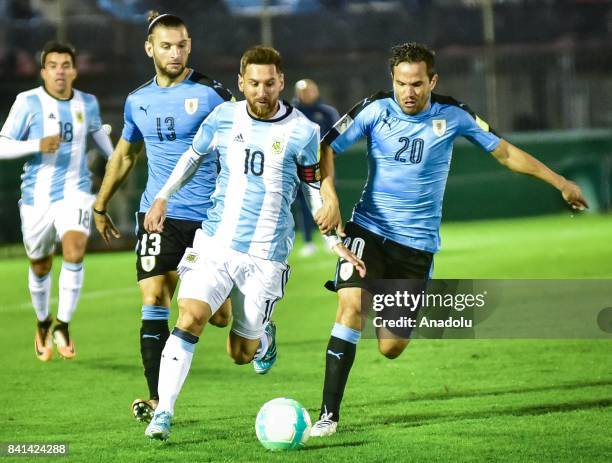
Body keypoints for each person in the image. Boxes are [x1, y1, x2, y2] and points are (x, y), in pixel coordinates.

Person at [310, 42, 589, 437]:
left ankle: (374, 298)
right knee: (350, 306)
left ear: (432, 81)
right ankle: (328, 415)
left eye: (417, 84)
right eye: (401, 83)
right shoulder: (374, 108)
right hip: (368, 229)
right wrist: (330, 194)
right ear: (392, 80)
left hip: (417, 247)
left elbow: (506, 153)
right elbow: (325, 145)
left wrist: (560, 183)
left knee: (390, 347)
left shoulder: (453, 114)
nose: (408, 92)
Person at [142, 45, 365, 441]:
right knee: (190, 316)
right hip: (214, 243)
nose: (262, 92)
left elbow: (312, 186)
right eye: (254, 84)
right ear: (241, 83)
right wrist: (163, 196)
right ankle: (165, 412)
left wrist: (334, 240)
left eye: (269, 83)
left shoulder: (303, 131)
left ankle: (262, 337)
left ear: (281, 82)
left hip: (265, 256)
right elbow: (193, 157)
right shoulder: (223, 116)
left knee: (239, 354)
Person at [92, 11, 233, 423]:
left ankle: (243, 304)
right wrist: (100, 204)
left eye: (182, 45)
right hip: (158, 215)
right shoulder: (139, 101)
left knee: (219, 317)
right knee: (154, 299)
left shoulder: (212, 94)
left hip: (210, 219)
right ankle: (157, 400)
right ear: (149, 48)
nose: (176, 52)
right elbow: (125, 155)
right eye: (167, 45)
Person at [0, 41, 113, 362]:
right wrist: (36, 144)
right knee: (40, 263)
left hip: (77, 191)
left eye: (65, 65)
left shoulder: (87, 103)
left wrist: (121, 157)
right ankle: (42, 321)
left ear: (75, 71)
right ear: (43, 72)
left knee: (75, 250)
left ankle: (62, 324)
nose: (60, 71)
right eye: (53, 65)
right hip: (36, 197)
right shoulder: (28, 102)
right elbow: (2, 145)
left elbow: (102, 140)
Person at [292, 79, 340, 257]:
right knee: (304, 205)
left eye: (311, 90)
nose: (307, 94)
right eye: (303, 91)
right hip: (299, 167)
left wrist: (328, 156)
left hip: (323, 165)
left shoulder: (327, 112)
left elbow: (337, 138)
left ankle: (333, 239)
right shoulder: (292, 112)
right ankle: (308, 241)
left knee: (329, 201)